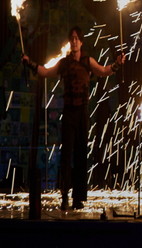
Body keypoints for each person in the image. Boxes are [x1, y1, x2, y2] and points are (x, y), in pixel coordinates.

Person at [23, 26, 125, 211]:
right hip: (69, 111)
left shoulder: (87, 61)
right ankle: (64, 196)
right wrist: (30, 63)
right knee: (66, 155)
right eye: (72, 38)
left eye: (77, 38)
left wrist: (117, 64)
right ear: (70, 42)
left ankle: (78, 198)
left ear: (81, 41)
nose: (75, 41)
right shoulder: (64, 63)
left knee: (80, 155)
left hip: (82, 113)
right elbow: (45, 72)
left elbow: (103, 71)